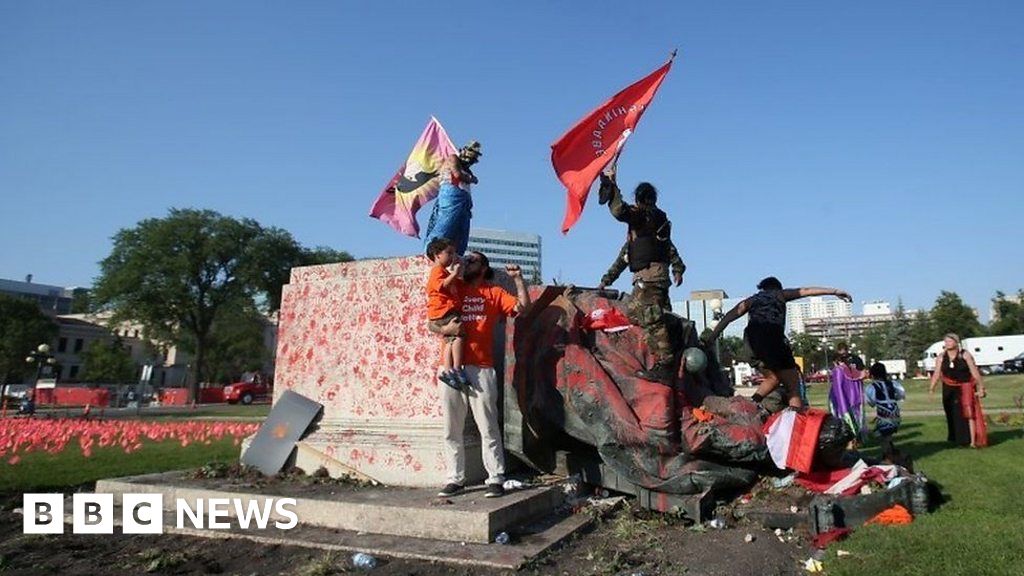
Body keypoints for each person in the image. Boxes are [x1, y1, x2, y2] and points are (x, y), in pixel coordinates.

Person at [437, 251, 530, 499]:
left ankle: (496, 477)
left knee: (488, 425)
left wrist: (519, 280)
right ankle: (455, 479)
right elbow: (431, 320)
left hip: (482, 368)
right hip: (449, 368)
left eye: (472, 260)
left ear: (484, 267)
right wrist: (445, 328)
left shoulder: (494, 293)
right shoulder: (453, 287)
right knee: (451, 427)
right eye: (465, 259)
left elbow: (523, 308)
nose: (466, 262)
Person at [705, 277, 852, 412]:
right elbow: (806, 291)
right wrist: (835, 291)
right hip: (773, 342)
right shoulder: (780, 294)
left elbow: (729, 316)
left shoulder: (752, 300)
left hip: (752, 344)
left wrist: (713, 336)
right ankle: (795, 422)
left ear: (762, 288)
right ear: (777, 288)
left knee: (773, 379)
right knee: (792, 386)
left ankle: (752, 405)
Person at [595, 168, 685, 383]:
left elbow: (619, 211)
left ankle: (665, 363)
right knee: (652, 315)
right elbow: (625, 257)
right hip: (656, 278)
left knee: (648, 317)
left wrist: (611, 186)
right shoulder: (653, 227)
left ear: (639, 199)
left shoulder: (645, 215)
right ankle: (676, 350)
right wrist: (606, 280)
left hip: (649, 279)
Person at [422, 141, 482, 256]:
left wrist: (470, 177)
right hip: (451, 195)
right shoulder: (452, 158)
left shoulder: (467, 169)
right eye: (469, 157)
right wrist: (471, 178)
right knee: (446, 223)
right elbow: (457, 175)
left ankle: (456, 254)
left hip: (464, 199)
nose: (470, 161)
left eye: (473, 160)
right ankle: (432, 251)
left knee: (461, 230)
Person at [929, 333, 988, 448]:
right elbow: (937, 373)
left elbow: (974, 371)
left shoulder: (964, 355)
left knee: (965, 413)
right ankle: (955, 438)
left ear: (956, 342)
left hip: (964, 386)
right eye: (945, 341)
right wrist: (932, 388)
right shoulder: (941, 357)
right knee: (950, 412)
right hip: (948, 387)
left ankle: (968, 439)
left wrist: (981, 387)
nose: (947, 344)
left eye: (950, 341)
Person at [425, 237, 467, 390]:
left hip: (443, 311)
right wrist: (454, 273)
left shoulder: (442, 272)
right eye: (449, 253)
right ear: (437, 255)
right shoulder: (437, 271)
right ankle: (456, 367)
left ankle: (448, 370)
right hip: (444, 311)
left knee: (449, 340)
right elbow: (442, 286)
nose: (452, 257)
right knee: (459, 335)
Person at [865, 362, 905, 457]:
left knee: (884, 437)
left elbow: (871, 401)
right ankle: (891, 453)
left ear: (872, 374)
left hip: (884, 414)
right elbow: (901, 395)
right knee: (887, 436)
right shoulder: (893, 384)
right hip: (895, 412)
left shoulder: (872, 387)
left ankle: (888, 456)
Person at [830, 342, 867, 444]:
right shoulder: (837, 365)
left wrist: (856, 377)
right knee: (845, 412)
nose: (842, 357)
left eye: (844, 354)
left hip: (853, 391)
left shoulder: (855, 359)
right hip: (843, 391)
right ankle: (848, 436)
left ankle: (855, 435)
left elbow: (863, 372)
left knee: (855, 413)